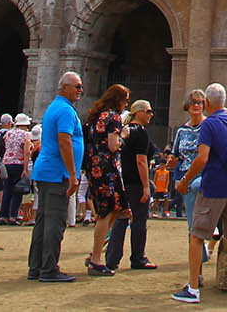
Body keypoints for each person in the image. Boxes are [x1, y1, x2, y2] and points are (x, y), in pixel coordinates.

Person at [171, 81, 227, 303]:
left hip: (214, 187)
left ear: (208, 103)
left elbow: (202, 158)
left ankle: (193, 288)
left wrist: (185, 180)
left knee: (197, 236)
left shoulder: (209, 125)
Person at [28, 70, 84, 282]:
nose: (80, 90)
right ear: (64, 87)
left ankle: (36, 266)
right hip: (56, 173)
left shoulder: (56, 107)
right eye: (77, 86)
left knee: (43, 221)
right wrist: (72, 174)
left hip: (47, 170)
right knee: (55, 222)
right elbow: (64, 141)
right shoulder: (65, 111)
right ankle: (49, 269)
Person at [83, 82, 130, 276]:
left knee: (113, 210)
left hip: (95, 167)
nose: (127, 104)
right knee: (107, 211)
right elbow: (113, 145)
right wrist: (124, 136)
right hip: (107, 170)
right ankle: (95, 259)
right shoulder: (114, 118)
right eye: (125, 100)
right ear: (117, 100)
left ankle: (95, 253)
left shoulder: (95, 117)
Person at [109, 99, 158, 271]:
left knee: (121, 219)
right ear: (138, 113)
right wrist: (146, 186)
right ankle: (138, 257)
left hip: (124, 180)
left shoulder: (126, 131)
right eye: (148, 111)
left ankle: (112, 258)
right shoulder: (141, 133)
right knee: (139, 220)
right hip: (136, 182)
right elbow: (141, 161)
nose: (151, 114)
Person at [171, 89, 210, 270]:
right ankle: (198, 267)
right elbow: (176, 157)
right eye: (193, 102)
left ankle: (213, 234)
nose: (196, 105)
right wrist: (178, 177)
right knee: (192, 226)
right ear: (187, 105)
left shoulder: (208, 126)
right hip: (187, 177)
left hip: (206, 177)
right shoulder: (181, 131)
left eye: (200, 102)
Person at [0, 111, 32, 225]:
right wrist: (25, 169)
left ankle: (3, 215)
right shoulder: (26, 135)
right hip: (19, 163)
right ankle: (13, 216)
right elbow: (26, 152)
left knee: (7, 190)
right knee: (17, 191)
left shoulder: (8, 134)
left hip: (6, 163)